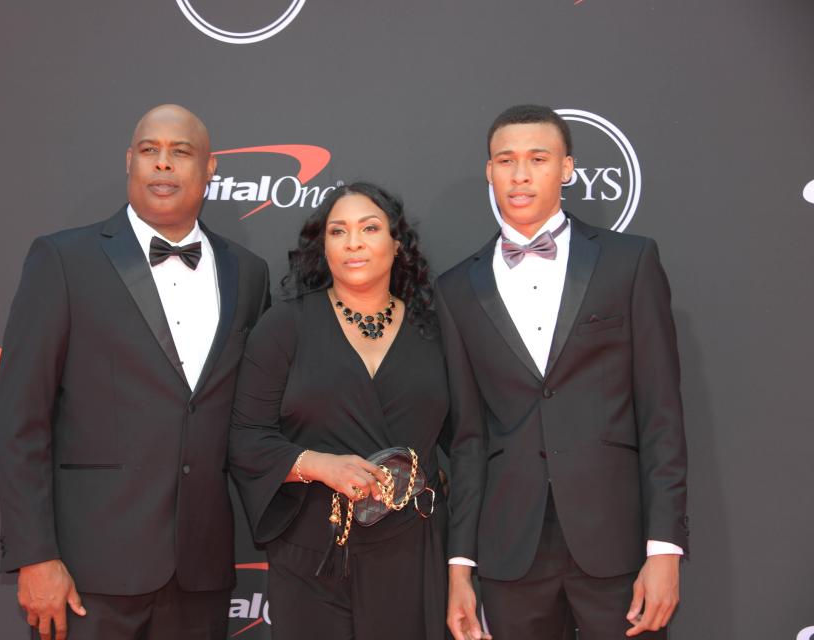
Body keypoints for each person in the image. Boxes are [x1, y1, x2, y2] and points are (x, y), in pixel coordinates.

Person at [0, 104, 270, 640]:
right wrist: (34, 556)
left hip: (201, 574)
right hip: (85, 575)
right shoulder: (63, 260)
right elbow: (19, 420)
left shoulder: (248, 273)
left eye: (180, 152)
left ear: (211, 168)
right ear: (130, 161)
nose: (162, 165)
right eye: (150, 151)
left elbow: (249, 420)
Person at [439, 104, 689, 640]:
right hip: (509, 553)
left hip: (616, 543)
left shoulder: (630, 261)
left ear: (568, 168)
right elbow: (467, 440)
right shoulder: (457, 288)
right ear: (489, 171)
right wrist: (461, 566)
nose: (521, 174)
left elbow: (661, 412)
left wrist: (664, 547)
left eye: (538, 158)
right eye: (506, 160)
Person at [229, 182, 449, 639]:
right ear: (322, 245)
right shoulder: (285, 326)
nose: (353, 242)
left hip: (411, 552)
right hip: (313, 553)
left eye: (369, 228)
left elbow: (469, 443)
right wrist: (316, 464)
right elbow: (245, 437)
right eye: (338, 231)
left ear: (397, 242)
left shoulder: (436, 331)